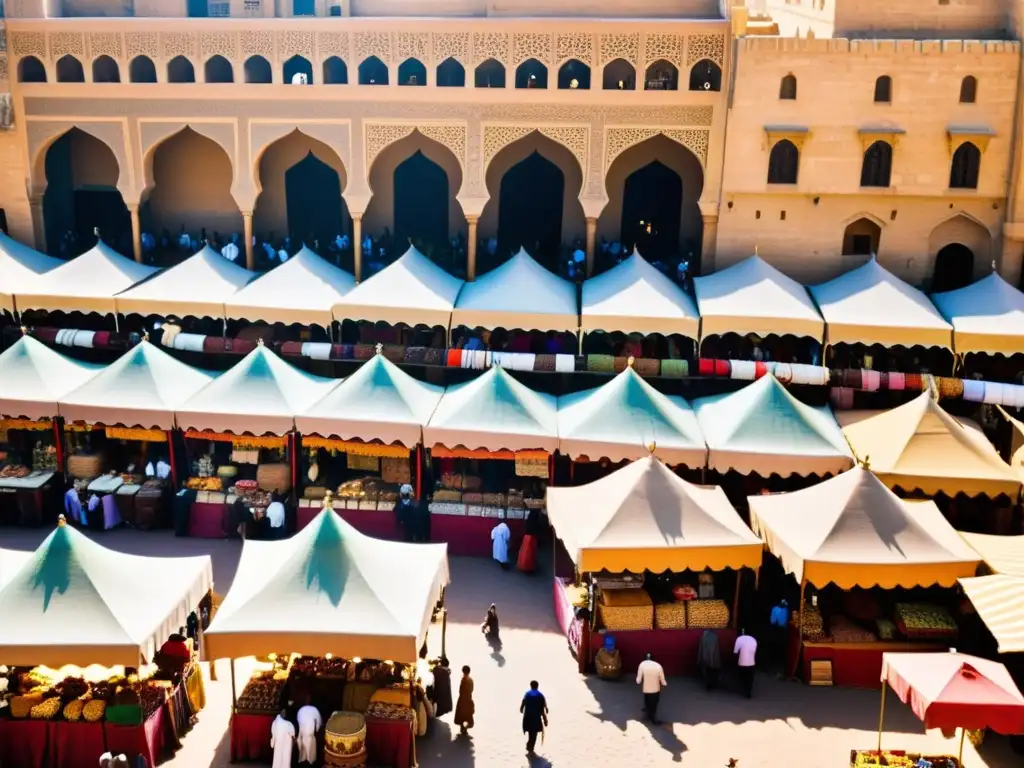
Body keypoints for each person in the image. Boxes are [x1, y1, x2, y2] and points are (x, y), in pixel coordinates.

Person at [636, 652, 666, 724]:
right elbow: (663, 681)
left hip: (646, 689)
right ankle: (653, 719)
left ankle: (647, 716)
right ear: (653, 659)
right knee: (653, 704)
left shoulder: (642, 664)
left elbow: (638, 681)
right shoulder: (658, 666)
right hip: (655, 690)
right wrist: (664, 684)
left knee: (647, 702)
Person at [520, 680, 548, 755]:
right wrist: (545, 719)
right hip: (535, 718)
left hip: (527, 717)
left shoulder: (527, 694)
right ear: (537, 686)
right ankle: (530, 748)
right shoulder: (540, 695)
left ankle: (529, 747)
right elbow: (542, 709)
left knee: (530, 732)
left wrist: (521, 708)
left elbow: (523, 701)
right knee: (534, 734)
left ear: (531, 686)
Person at [517, 506, 542, 573]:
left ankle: (524, 565)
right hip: (532, 537)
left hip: (527, 536)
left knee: (525, 552)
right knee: (530, 553)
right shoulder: (535, 520)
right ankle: (528, 566)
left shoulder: (529, 518)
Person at [296, 700, 322, 764]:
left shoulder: (301, 709)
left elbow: (298, 719)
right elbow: (319, 721)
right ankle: (309, 759)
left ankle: (303, 758)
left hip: (303, 730)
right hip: (310, 730)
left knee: (303, 744)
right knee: (309, 744)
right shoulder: (314, 710)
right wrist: (317, 729)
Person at [734, 629, 758, 698]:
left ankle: (744, 688)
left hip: (742, 662)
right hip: (751, 663)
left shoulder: (739, 639)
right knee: (750, 678)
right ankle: (748, 692)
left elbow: (735, 652)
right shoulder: (753, 639)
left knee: (743, 676)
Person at [454, 665, 475, 736]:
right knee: (469, 718)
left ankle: (463, 727)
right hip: (468, 700)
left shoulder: (464, 680)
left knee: (460, 717)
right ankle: (465, 728)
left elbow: (461, 691)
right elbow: (471, 690)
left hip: (462, 700)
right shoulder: (471, 680)